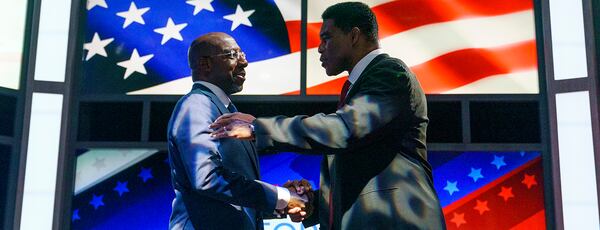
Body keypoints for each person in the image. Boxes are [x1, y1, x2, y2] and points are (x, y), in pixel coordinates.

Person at [209, 2, 446, 230]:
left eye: (327, 38)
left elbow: (344, 129)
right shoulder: (359, 88)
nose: (320, 48)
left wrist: (259, 128)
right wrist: (311, 203)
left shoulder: (390, 74)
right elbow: (358, 172)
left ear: (354, 36)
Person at [167, 32, 311, 230]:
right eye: (233, 54)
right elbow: (207, 179)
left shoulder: (226, 110)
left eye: (242, 53)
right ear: (205, 64)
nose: (244, 62)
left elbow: (232, 195)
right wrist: (282, 197)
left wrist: (281, 202)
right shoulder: (197, 105)